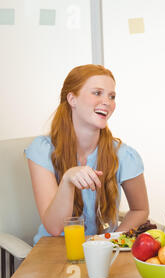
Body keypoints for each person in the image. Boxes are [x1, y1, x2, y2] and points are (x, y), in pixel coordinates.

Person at [26, 64, 149, 245]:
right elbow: (54, 228)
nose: (107, 101)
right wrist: (68, 180)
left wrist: (112, 242)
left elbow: (140, 209)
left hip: (102, 253)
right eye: (97, 93)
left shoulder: (124, 155)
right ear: (72, 99)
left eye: (111, 96)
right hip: (53, 252)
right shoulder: (42, 150)